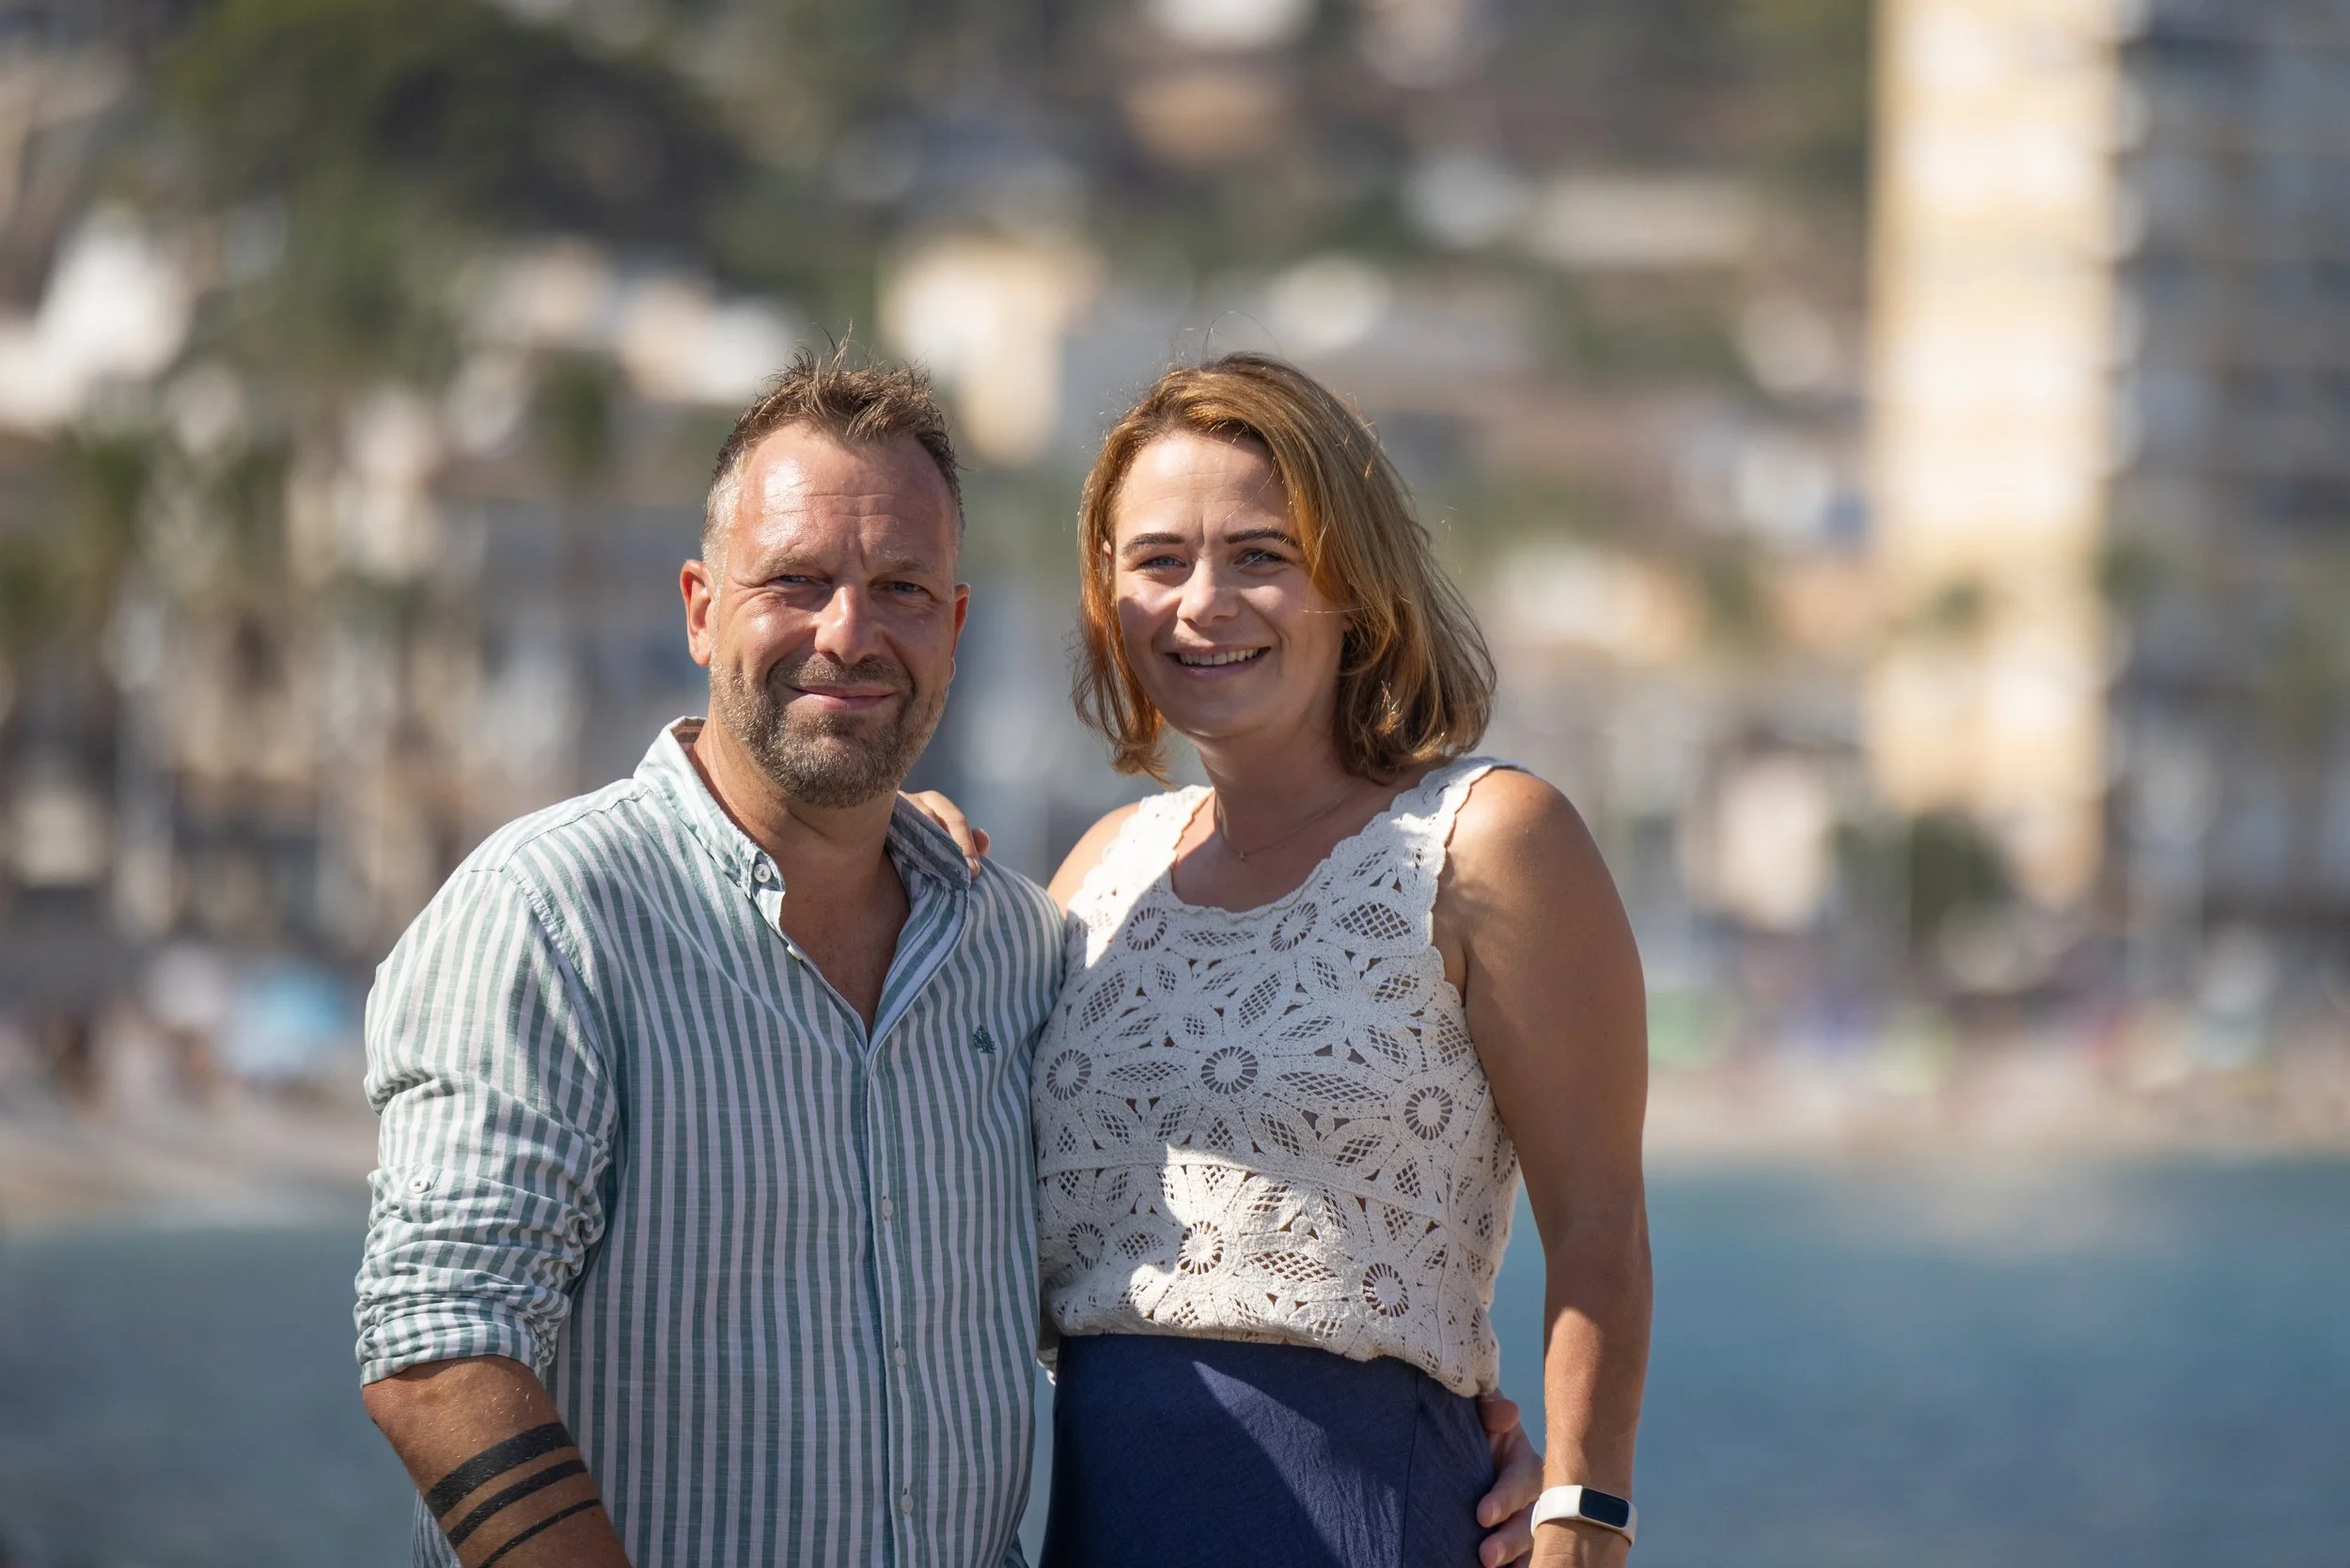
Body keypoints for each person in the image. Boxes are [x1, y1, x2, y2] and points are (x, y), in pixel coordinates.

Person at [352, 347, 1543, 1568]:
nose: (849, 631)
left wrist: (1435, 1428)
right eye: (797, 581)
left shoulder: (1013, 951)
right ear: (703, 608)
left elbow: (1151, 1267)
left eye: (902, 588)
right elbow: (439, 1348)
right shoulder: (549, 916)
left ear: (956, 626)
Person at [1025, 354, 1651, 1568]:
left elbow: (1601, 1227)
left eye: (1259, 554)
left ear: (1352, 582)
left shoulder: (1488, 840)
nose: (1203, 601)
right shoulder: (1094, 874)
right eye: (1158, 560)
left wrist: (1582, 1514)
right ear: (1109, 598)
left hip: (1371, 1519)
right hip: (1101, 1525)